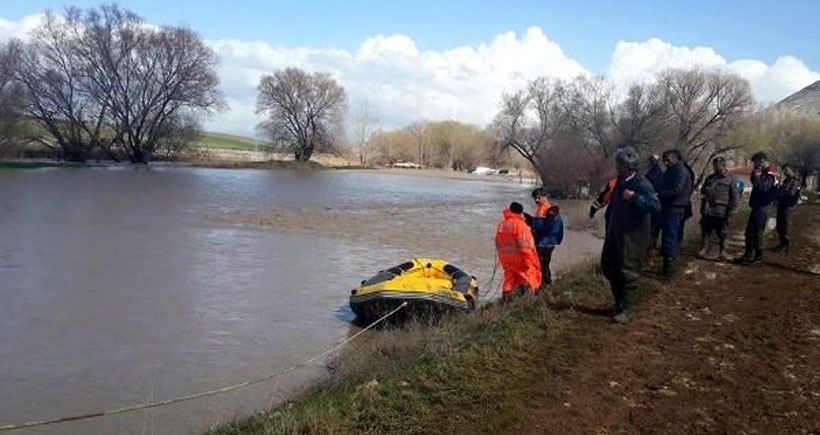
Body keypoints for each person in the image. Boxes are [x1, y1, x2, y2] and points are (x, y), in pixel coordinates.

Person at [601, 147, 661, 323]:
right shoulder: (620, 181)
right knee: (608, 265)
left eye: (619, 164)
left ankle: (626, 309)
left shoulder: (642, 183)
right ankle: (618, 303)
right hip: (615, 231)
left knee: (627, 271)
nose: (616, 167)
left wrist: (635, 197)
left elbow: (655, 206)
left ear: (629, 166)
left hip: (632, 235)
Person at [737, 152, 779, 266]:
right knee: (749, 233)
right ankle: (748, 255)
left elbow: (762, 188)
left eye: (755, 162)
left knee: (757, 233)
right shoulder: (764, 173)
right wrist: (755, 174)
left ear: (762, 161)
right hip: (756, 206)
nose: (755, 165)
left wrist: (756, 174)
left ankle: (758, 258)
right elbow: (756, 184)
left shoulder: (770, 174)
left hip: (763, 207)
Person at [657, 149, 693, 278]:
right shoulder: (673, 170)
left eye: (668, 159)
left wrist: (660, 195)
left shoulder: (680, 171)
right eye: (664, 160)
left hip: (674, 208)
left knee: (670, 237)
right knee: (671, 236)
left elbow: (677, 190)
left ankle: (669, 271)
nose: (665, 162)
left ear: (676, 158)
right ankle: (668, 268)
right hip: (671, 207)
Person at [495, 202, 541, 302]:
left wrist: (502, 256)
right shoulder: (521, 226)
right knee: (529, 276)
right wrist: (529, 261)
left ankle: (506, 300)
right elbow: (525, 246)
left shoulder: (502, 224)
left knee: (509, 278)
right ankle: (528, 301)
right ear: (521, 212)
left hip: (506, 258)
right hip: (520, 258)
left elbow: (497, 242)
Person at [698, 157, 739, 260]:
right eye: (714, 165)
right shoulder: (710, 178)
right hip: (708, 209)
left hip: (722, 210)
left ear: (723, 165)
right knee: (706, 230)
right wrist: (705, 190)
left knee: (722, 232)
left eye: (717, 166)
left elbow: (735, 196)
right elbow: (702, 190)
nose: (715, 168)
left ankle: (722, 251)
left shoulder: (730, 178)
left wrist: (732, 209)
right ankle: (704, 249)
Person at [531, 195, 564, 289]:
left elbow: (547, 227)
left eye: (538, 197)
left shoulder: (550, 211)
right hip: (545, 242)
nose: (536, 200)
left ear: (545, 196)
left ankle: (546, 285)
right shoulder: (544, 209)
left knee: (542, 265)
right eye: (535, 198)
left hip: (546, 242)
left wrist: (534, 230)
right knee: (544, 264)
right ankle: (546, 284)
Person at [774, 164, 801, 252]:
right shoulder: (786, 181)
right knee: (779, 226)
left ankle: (785, 245)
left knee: (785, 226)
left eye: (786, 170)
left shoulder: (794, 181)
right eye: (784, 170)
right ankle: (781, 244)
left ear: (791, 170)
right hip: (781, 205)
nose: (785, 172)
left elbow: (790, 194)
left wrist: (780, 194)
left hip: (788, 207)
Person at [644, 155, 665, 266]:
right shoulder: (662, 174)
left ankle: (648, 259)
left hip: (650, 209)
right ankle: (651, 259)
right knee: (654, 234)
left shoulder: (650, 175)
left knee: (649, 234)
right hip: (659, 208)